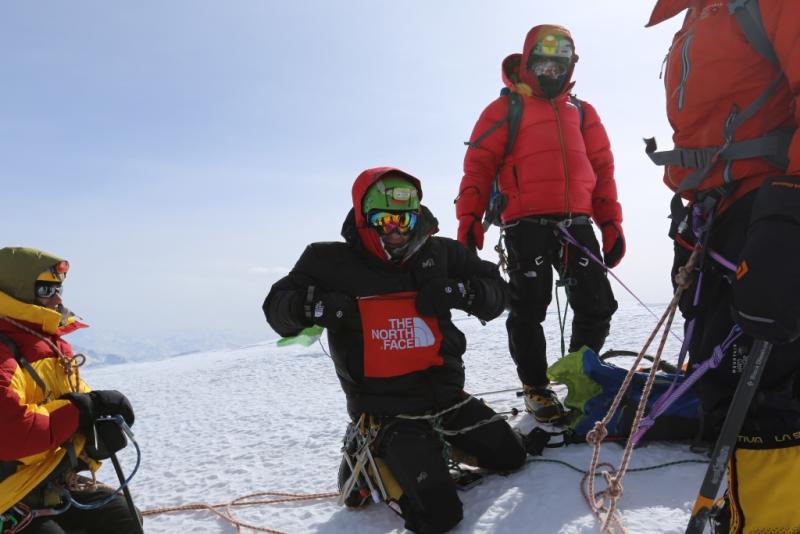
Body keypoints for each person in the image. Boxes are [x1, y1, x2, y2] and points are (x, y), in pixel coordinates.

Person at [263, 167, 527, 533]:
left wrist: (461, 293)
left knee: (512, 456)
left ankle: (437, 446)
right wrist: (319, 307)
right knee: (439, 515)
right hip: (385, 412)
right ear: (363, 218)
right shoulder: (328, 262)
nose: (395, 230)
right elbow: (277, 306)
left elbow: (498, 292)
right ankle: (367, 456)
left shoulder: (442, 254)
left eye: (404, 219)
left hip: (445, 396)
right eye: (384, 219)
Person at [646, 1, 800, 532]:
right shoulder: (698, 12)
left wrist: (789, 216)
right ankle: (748, 513)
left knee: (762, 390)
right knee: (722, 376)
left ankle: (773, 523)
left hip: (770, 202)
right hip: (720, 211)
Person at [455, 25, 624, 423]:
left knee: (597, 304)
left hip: (577, 222)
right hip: (524, 223)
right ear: (529, 62)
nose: (551, 72)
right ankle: (535, 386)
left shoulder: (583, 112)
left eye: (559, 65)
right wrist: (469, 218)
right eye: (543, 63)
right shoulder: (505, 108)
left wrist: (611, 222)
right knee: (529, 308)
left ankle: (582, 380)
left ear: (570, 67)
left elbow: (603, 169)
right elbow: (477, 166)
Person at [0, 247, 141, 534]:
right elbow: (11, 433)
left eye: (58, 287)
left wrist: (94, 427)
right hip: (8, 496)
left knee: (123, 519)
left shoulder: (49, 344)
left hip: (49, 484)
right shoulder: (4, 349)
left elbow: (74, 401)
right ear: (15, 291)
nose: (57, 297)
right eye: (45, 288)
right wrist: (82, 409)